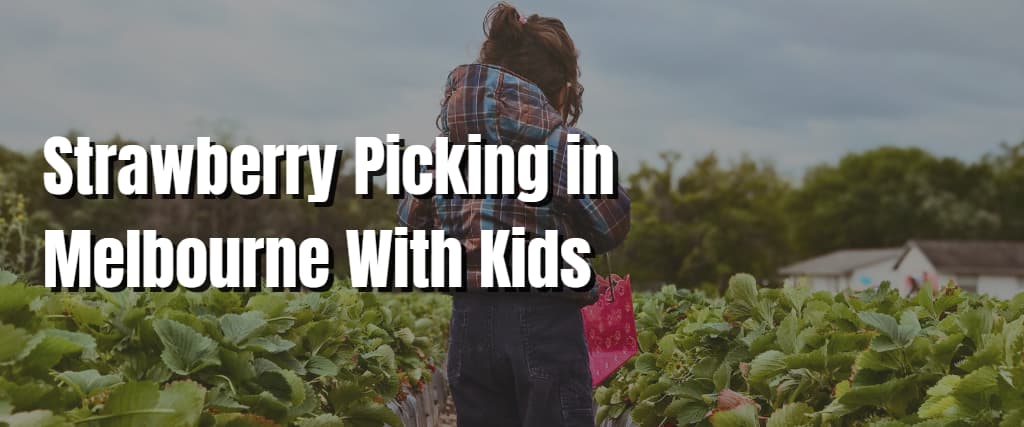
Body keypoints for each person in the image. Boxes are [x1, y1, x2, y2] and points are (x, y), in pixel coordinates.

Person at [398, 3, 630, 425]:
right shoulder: (563, 146)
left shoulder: (443, 152)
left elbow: (411, 223)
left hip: (469, 323)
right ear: (560, 87)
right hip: (545, 323)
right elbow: (611, 224)